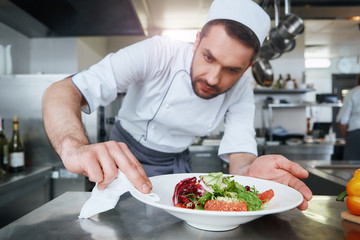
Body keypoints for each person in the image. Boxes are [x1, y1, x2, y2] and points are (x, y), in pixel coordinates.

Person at [42, 0, 312, 210]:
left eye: (232, 69)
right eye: (208, 57)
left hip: (177, 166)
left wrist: (250, 175)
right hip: (125, 162)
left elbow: (240, 157)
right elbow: (62, 91)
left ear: (248, 67)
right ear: (196, 41)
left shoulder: (242, 88)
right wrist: (74, 147)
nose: (213, 78)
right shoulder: (158, 53)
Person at [337, 85, 360, 160]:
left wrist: (346, 138)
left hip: (355, 135)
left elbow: (343, 120)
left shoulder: (353, 93)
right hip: (355, 134)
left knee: (350, 167)